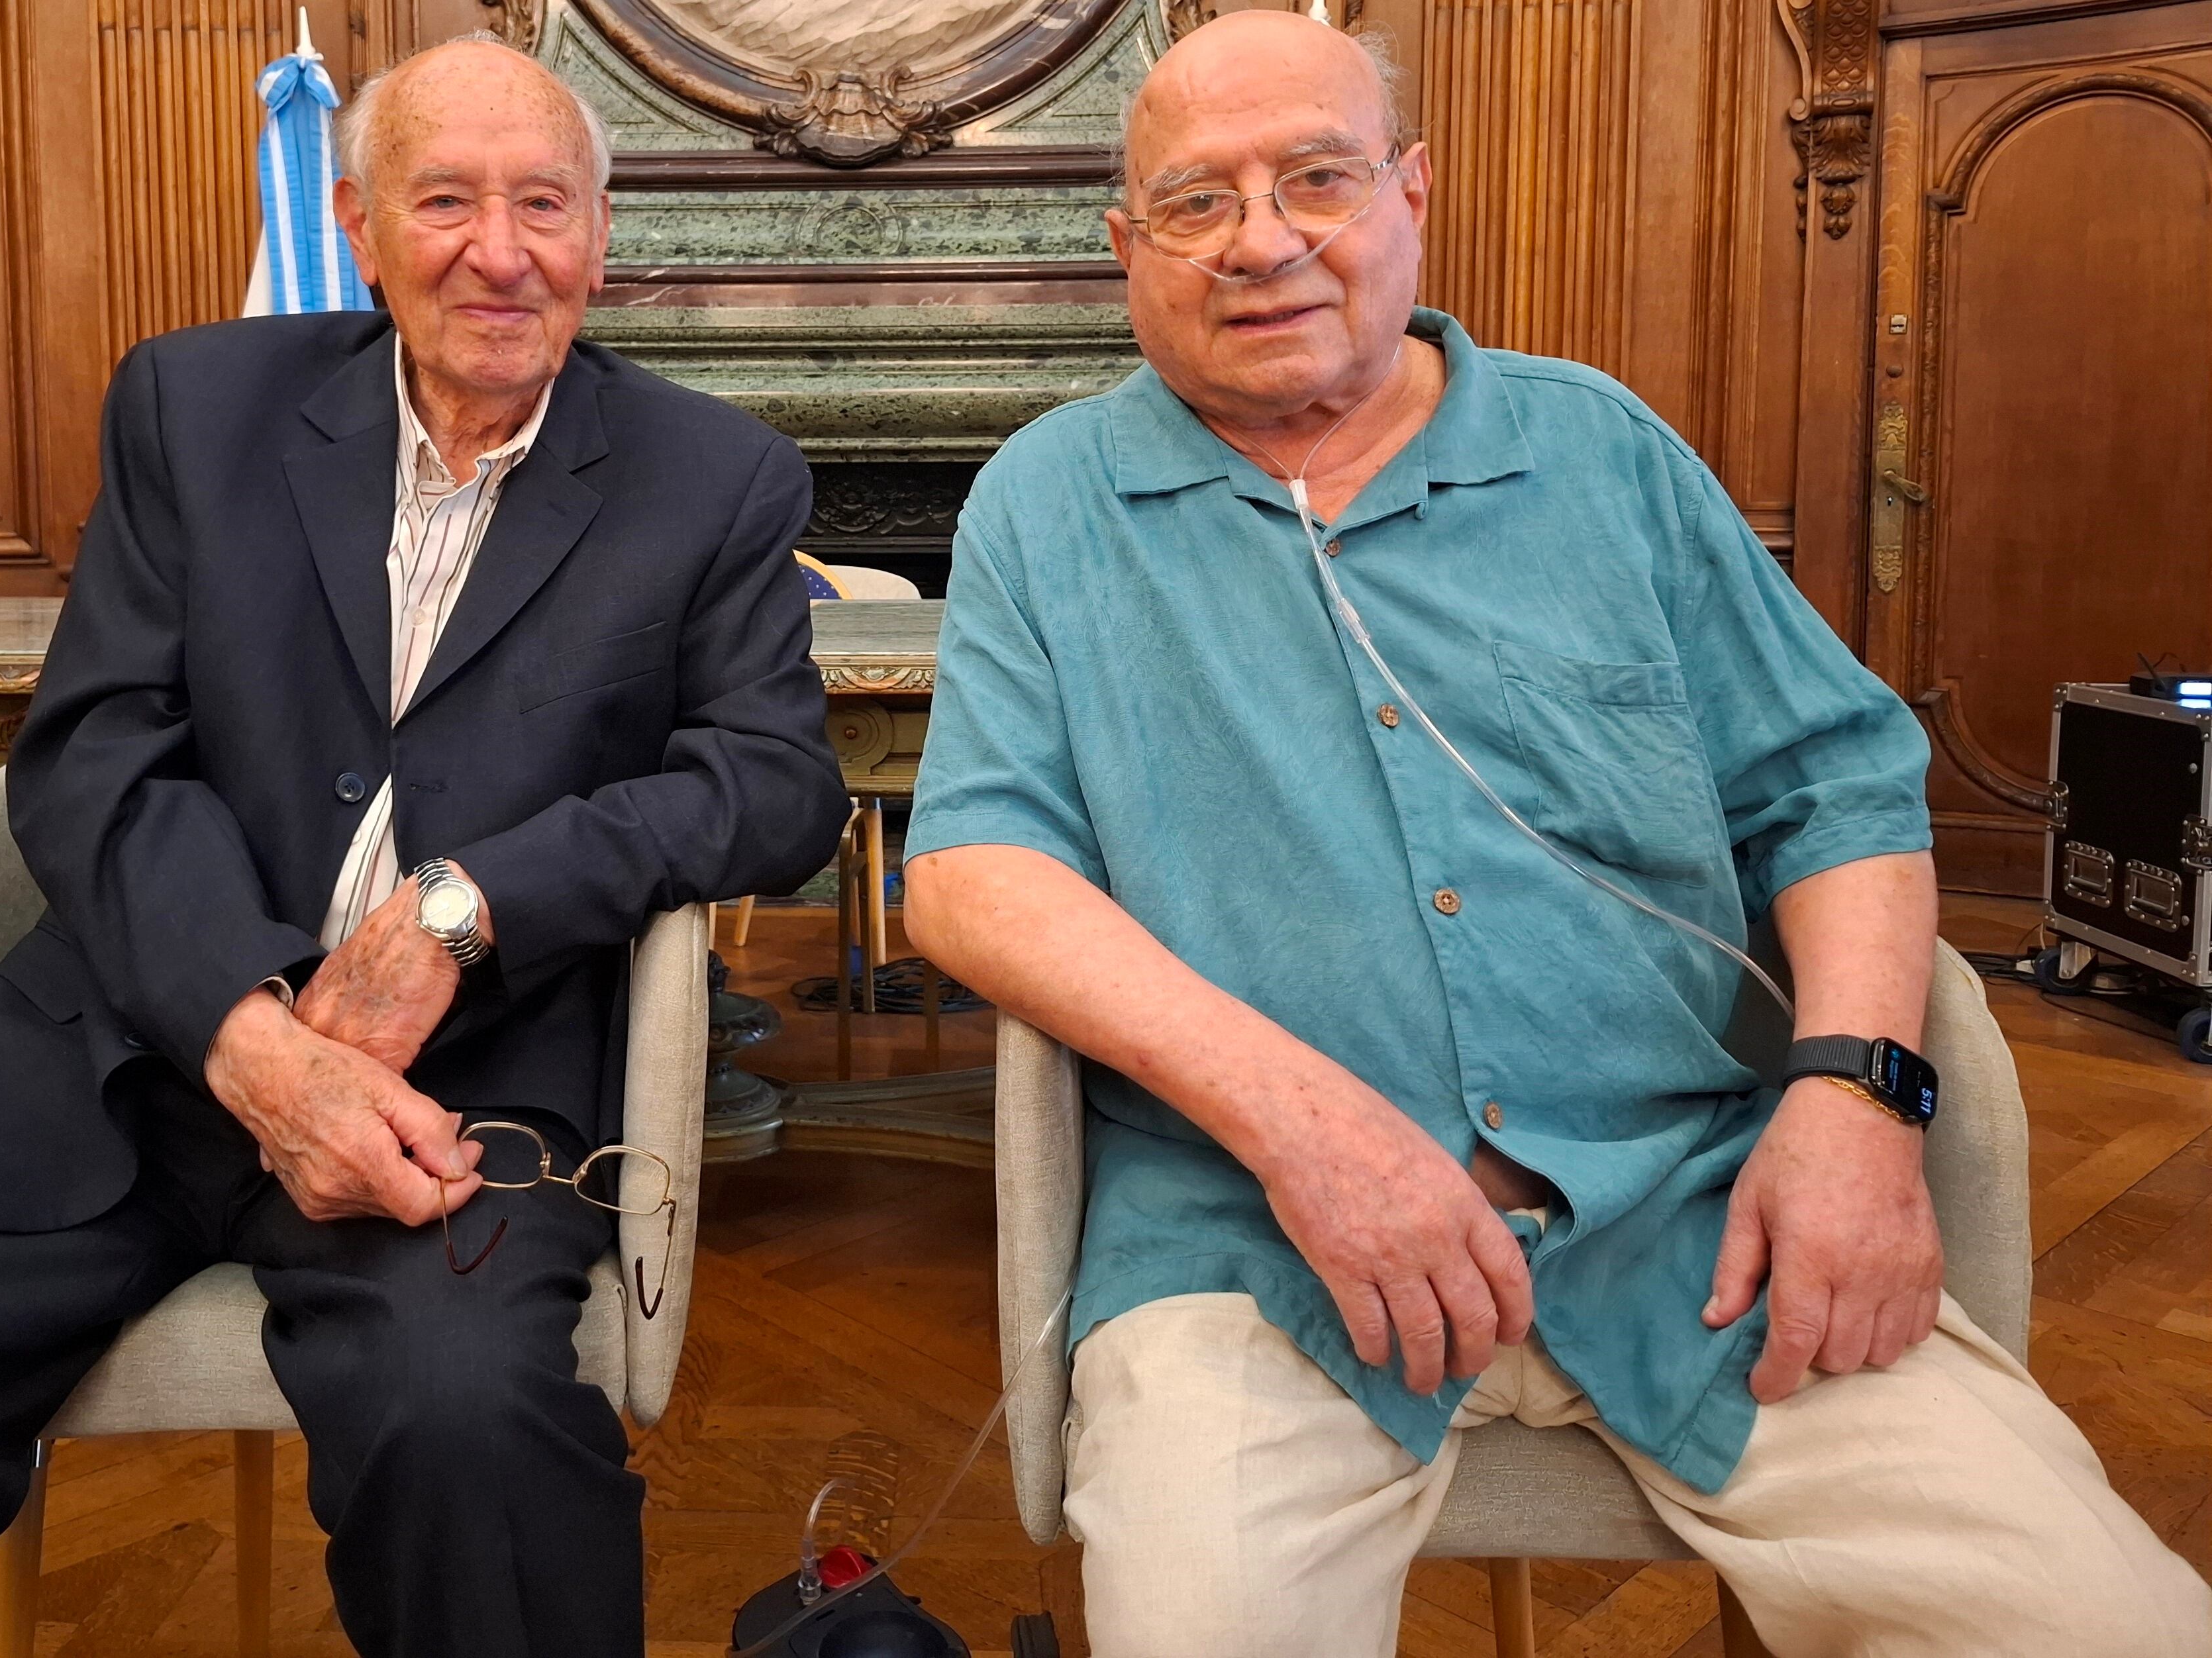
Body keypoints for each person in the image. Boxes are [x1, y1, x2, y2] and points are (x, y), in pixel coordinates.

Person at [901, 13, 2212, 1657]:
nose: (1260, 241)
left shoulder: (1597, 450)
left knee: (2112, 1623)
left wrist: (1857, 1093)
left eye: (1314, 176)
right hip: (1254, 1256)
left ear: (1408, 192)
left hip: (1700, 1229)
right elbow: (967, 867)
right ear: (1125, 249)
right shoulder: (1047, 500)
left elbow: (1833, 785)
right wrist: (1306, 1123)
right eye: (1192, 202)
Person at [0, 38, 848, 1658]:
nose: (501, 252)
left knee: (476, 1446)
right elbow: (93, 752)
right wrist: (251, 1033)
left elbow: (773, 784)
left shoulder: (713, 476)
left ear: (598, 235)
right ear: (353, 222)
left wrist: (463, 901)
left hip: (459, 1091)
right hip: (118, 1050)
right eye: (445, 200)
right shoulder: (197, 405)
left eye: (543, 203)